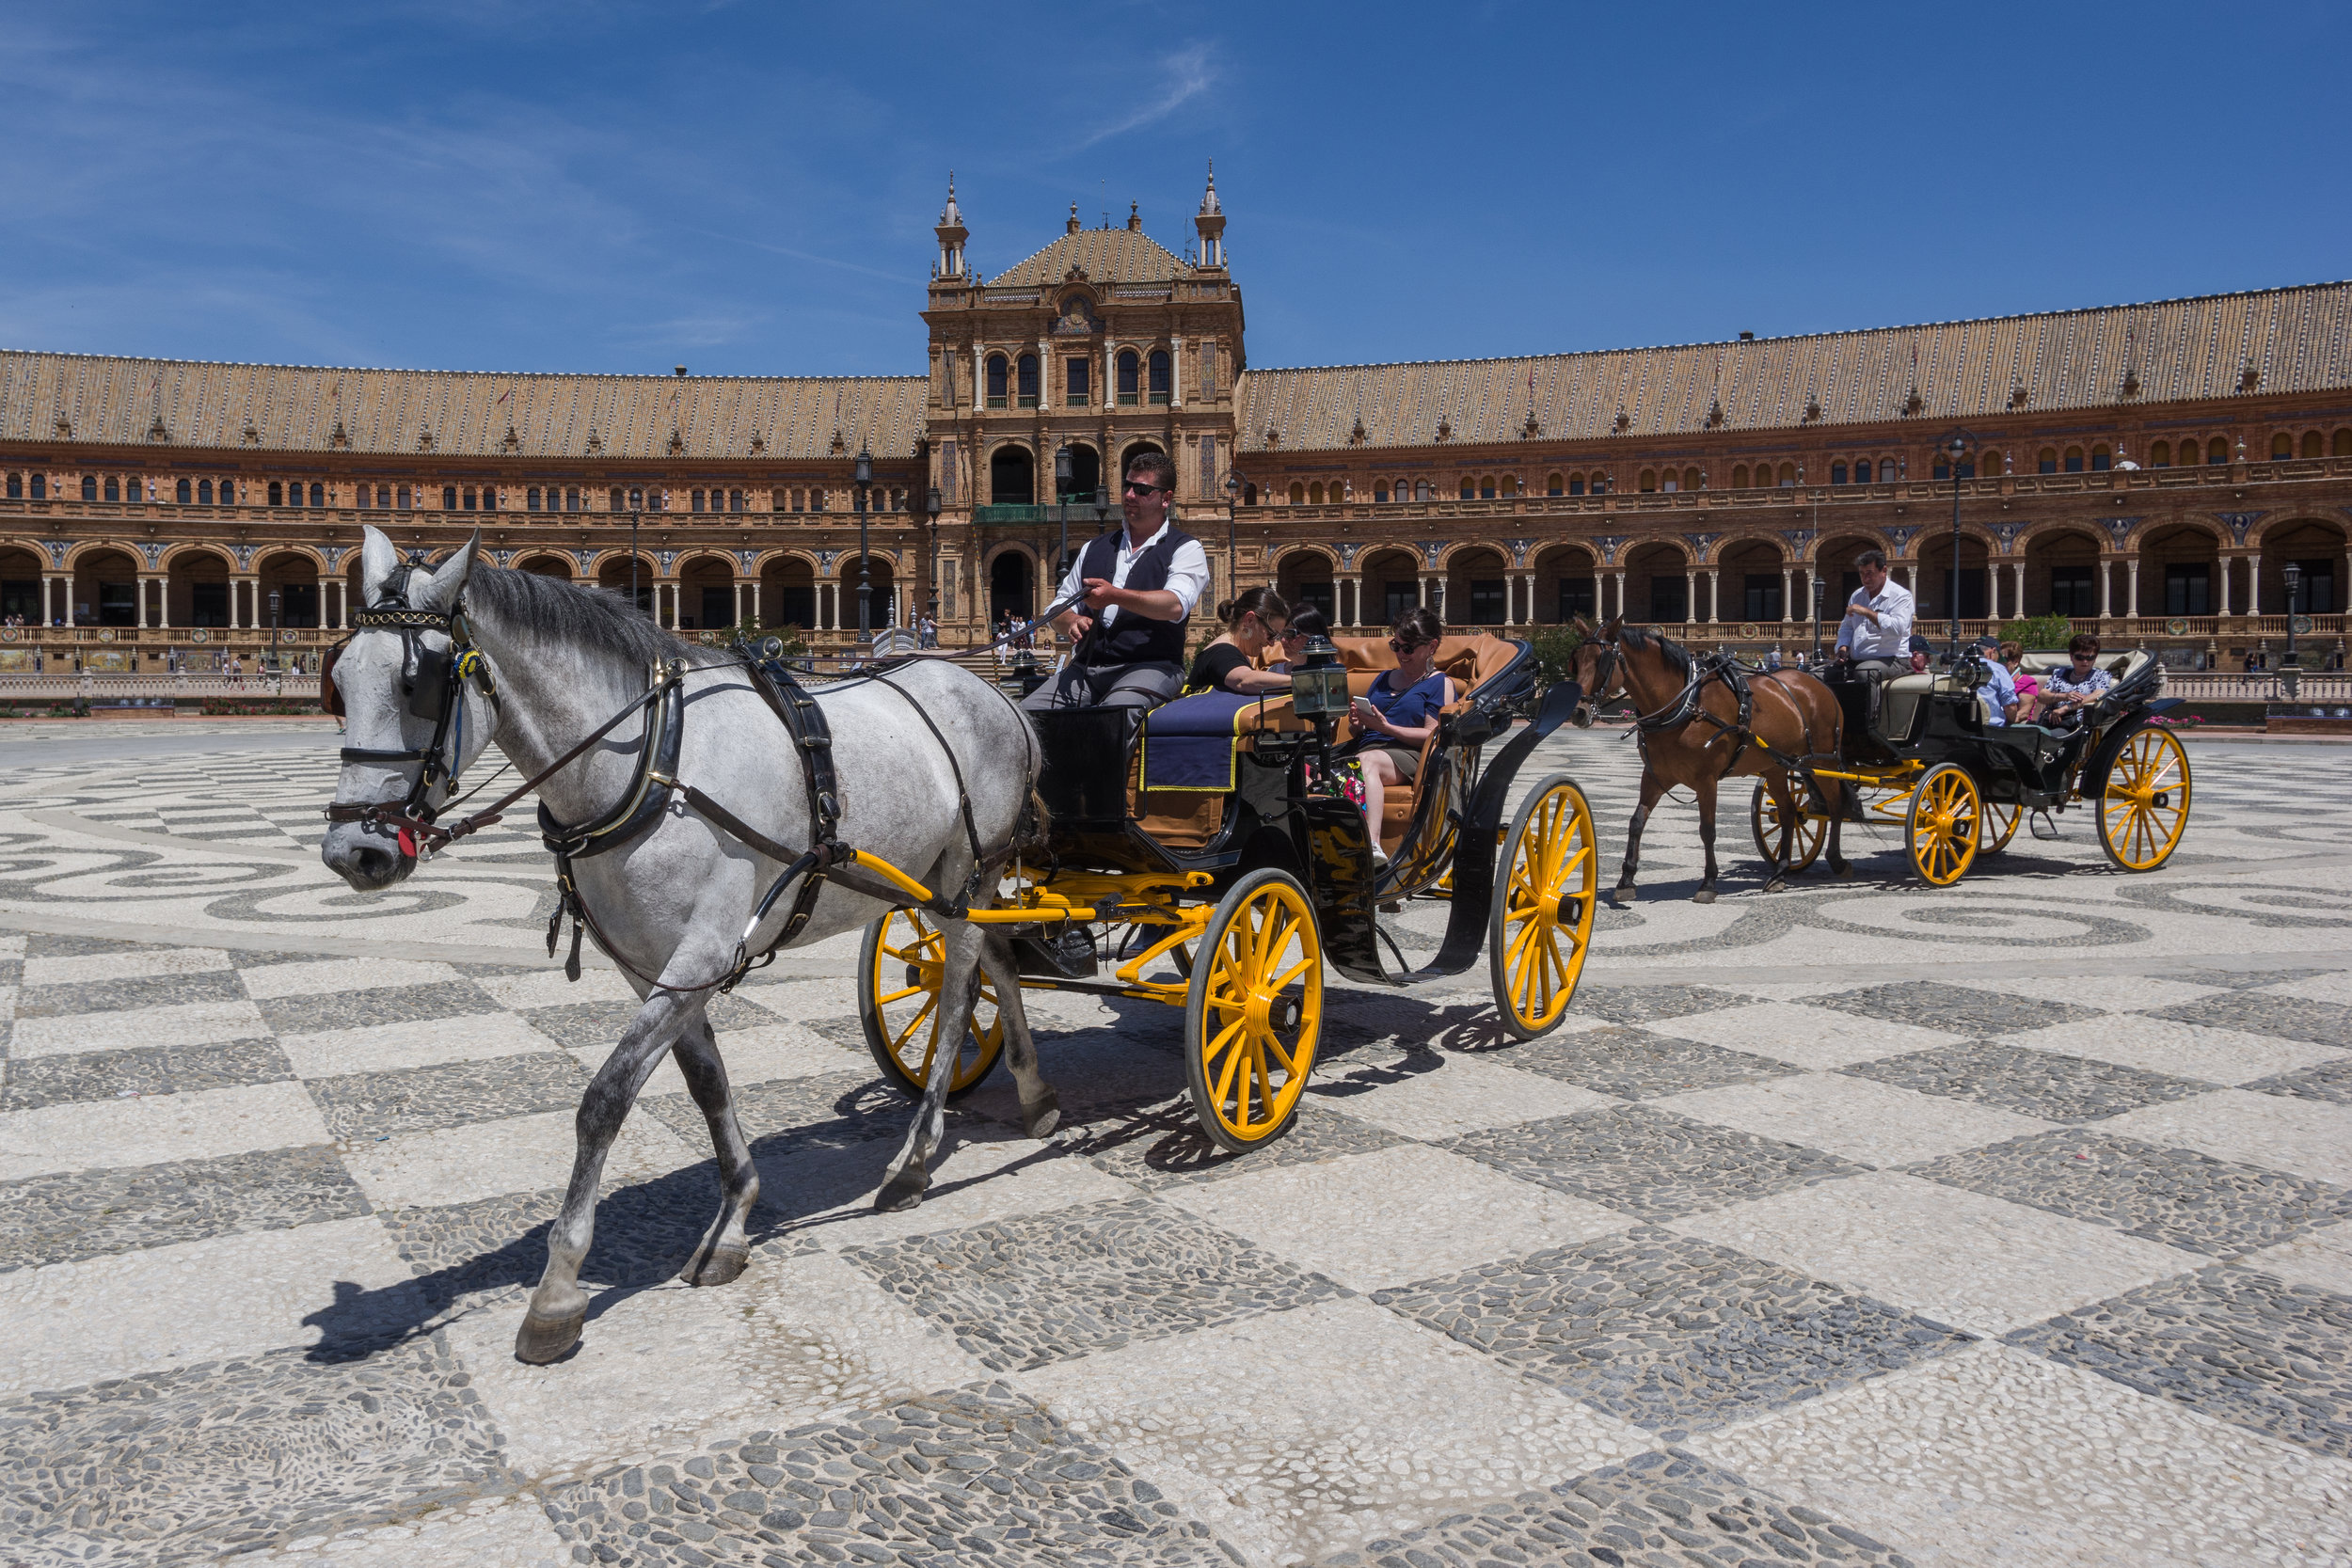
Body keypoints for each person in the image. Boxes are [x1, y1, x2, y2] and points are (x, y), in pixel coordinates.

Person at [1022, 451, 1210, 713]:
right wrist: (1071, 620)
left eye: (1142, 489)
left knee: (1113, 717)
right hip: (1086, 668)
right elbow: (1057, 608)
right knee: (1027, 717)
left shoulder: (1186, 548)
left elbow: (1175, 605)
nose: (1130, 495)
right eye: (1128, 486)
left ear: (1166, 498)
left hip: (1152, 667)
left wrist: (1114, 595)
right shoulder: (1093, 548)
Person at [1350, 608, 1455, 867]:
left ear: (1431, 646)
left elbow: (1433, 735)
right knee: (1307, 768)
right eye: (1395, 646)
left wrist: (1387, 729)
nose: (1400, 654)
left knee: (1367, 762)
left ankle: (1371, 844)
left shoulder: (1439, 683)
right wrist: (1358, 725)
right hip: (1368, 746)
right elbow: (1363, 731)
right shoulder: (1383, 679)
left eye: (1408, 649)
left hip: (1407, 754)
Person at [1184, 587, 1294, 695]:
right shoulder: (1222, 653)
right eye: (1271, 634)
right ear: (1249, 620)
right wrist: (1301, 682)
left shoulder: (1234, 652)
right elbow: (1244, 680)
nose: (1272, 643)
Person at [1835, 549, 1914, 672]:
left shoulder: (1901, 596)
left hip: (1892, 660)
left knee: (1864, 672)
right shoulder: (1857, 595)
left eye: (1870, 573)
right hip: (1856, 660)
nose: (1865, 579)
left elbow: (1897, 629)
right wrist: (1842, 647)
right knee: (1817, 674)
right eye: (1862, 573)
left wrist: (1867, 612)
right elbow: (1847, 627)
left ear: (1884, 571)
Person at [2032, 633, 2113, 721]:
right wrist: (2065, 696)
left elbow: (2098, 695)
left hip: (2077, 724)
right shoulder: (2059, 673)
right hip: (2051, 719)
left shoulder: (2101, 676)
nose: (2085, 662)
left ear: (2096, 657)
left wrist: (2066, 708)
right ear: (2071, 657)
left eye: (2090, 658)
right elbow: (2042, 696)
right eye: (2080, 657)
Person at [1967, 635, 2017, 725]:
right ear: (1993, 651)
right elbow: (2010, 706)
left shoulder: (1957, 668)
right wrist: (2010, 722)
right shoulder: (1998, 669)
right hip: (1990, 730)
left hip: (1959, 727)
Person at [1268, 604, 1328, 673]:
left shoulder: (1333, 674)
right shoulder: (1274, 672)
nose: (1283, 640)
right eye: (1282, 634)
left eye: (1290, 634)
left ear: (1312, 635)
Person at [2001, 641, 2040, 714]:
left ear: (2016, 662)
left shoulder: (2027, 683)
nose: (2000, 663)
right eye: (1997, 660)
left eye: (2003, 660)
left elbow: (2023, 714)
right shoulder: (1994, 679)